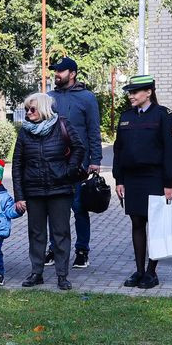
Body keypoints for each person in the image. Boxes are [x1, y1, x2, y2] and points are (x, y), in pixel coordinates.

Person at [12, 92, 84, 291]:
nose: (28, 112)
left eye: (32, 109)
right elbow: (17, 164)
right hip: (33, 190)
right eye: (26, 109)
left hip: (60, 189)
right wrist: (19, 196)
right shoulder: (25, 131)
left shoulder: (62, 124)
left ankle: (62, 275)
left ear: (43, 108)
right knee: (36, 233)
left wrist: (68, 170)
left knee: (60, 233)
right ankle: (37, 273)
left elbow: (79, 148)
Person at [113, 74, 172, 290]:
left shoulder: (164, 116)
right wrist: (119, 179)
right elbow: (118, 150)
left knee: (156, 226)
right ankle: (139, 271)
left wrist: (169, 182)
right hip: (132, 179)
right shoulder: (126, 117)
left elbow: (171, 151)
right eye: (130, 92)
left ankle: (152, 272)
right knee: (137, 224)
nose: (130, 96)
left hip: (155, 178)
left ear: (149, 92)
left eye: (135, 92)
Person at [46, 57, 103, 269]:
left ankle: (82, 250)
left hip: (79, 163)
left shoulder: (87, 98)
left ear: (72, 73)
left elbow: (93, 130)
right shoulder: (49, 97)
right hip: (53, 163)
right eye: (55, 71)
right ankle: (54, 248)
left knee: (79, 208)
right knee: (54, 208)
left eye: (60, 71)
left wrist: (95, 160)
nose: (56, 74)